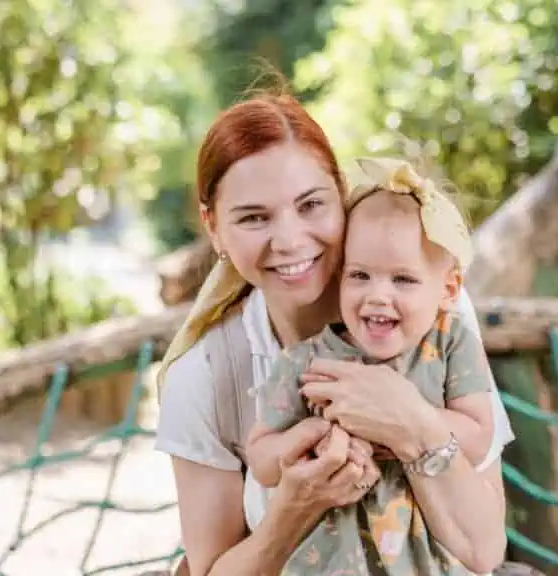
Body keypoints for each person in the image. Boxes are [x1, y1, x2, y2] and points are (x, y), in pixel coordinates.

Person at [154, 84, 513, 576]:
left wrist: (411, 421)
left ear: (340, 195)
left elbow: (486, 550)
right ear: (213, 227)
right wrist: (294, 509)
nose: (289, 240)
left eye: (311, 205)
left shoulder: (430, 310)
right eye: (254, 218)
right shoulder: (206, 376)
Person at [244, 156, 496, 574]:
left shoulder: (451, 342)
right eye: (360, 276)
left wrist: (405, 421)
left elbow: (478, 436)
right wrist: (309, 436)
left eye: (403, 279)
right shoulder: (305, 362)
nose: (378, 295)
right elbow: (263, 459)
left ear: (448, 288)